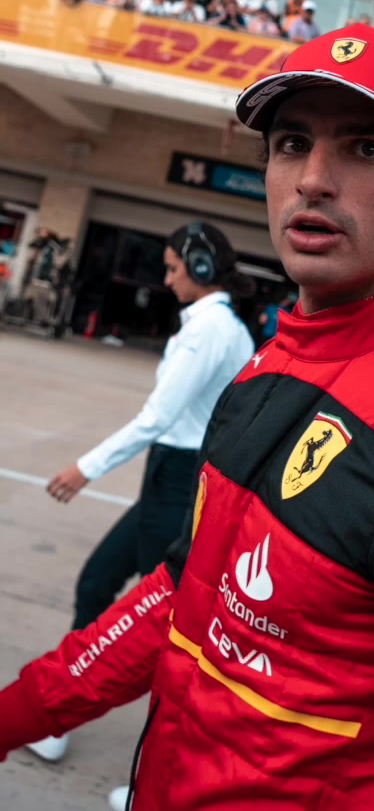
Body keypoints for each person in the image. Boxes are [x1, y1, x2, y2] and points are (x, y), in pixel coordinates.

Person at [0, 24, 374, 810]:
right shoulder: (271, 364)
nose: (313, 179)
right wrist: (17, 713)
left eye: (367, 149)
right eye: (291, 144)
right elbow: (184, 590)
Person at [23, 222, 254, 769]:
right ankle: (57, 715)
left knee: (170, 636)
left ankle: (166, 768)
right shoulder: (220, 327)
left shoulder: (209, 331)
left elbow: (158, 417)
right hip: (174, 482)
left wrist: (86, 468)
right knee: (97, 583)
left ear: (200, 268)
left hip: (178, 482)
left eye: (173, 268)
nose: (167, 279)